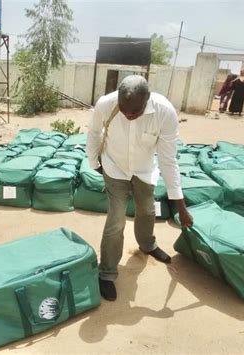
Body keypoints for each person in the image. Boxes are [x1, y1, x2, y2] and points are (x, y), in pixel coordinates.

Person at [86, 75, 193, 301]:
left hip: (144, 170)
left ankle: (147, 244)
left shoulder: (164, 113)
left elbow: (168, 160)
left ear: (147, 100)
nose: (129, 116)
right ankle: (106, 273)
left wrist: (180, 206)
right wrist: (94, 163)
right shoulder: (107, 104)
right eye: (125, 111)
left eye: (135, 111)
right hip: (114, 167)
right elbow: (94, 132)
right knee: (116, 218)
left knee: (146, 208)